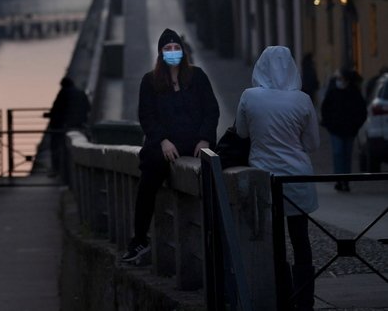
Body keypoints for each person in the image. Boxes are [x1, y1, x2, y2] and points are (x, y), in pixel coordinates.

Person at [121, 28, 219, 265]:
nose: (173, 52)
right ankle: (140, 239)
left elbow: (211, 110)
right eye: (168, 49)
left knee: (211, 180)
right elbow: (147, 116)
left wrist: (205, 138)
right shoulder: (150, 81)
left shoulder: (197, 77)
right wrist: (162, 140)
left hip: (195, 144)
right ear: (160, 53)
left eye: (176, 48)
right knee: (148, 181)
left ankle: (213, 241)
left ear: (183, 52)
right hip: (164, 145)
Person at [235, 46, 319, 311]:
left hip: (265, 178)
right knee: (300, 239)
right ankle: (304, 300)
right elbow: (313, 142)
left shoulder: (249, 97)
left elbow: (241, 132)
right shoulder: (302, 100)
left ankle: (280, 296)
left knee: (274, 241)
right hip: (297, 178)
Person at [320, 67, 367, 191]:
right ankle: (339, 180)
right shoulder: (333, 92)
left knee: (346, 156)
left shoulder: (354, 93)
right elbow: (325, 110)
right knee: (338, 154)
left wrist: (356, 125)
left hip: (350, 130)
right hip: (336, 130)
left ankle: (345, 180)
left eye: (341, 79)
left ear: (347, 80)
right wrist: (329, 124)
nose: (339, 81)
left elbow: (362, 111)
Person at [48, 76, 92, 176]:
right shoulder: (81, 93)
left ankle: (57, 171)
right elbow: (88, 108)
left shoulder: (64, 92)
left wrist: (51, 116)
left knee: (57, 147)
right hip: (79, 125)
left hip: (64, 126)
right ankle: (73, 174)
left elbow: (57, 109)